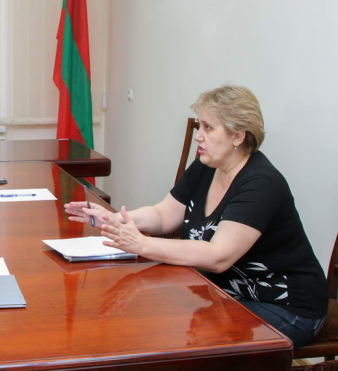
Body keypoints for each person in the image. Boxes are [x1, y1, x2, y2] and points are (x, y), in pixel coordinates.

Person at [65, 85, 327, 348]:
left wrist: (142, 244)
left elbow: (218, 256)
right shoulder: (206, 166)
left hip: (286, 307)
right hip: (227, 294)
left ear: (238, 136)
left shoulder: (260, 183)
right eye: (200, 126)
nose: (198, 136)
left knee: (195, 345)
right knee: (162, 327)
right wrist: (114, 219)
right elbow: (163, 214)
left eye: (208, 128)